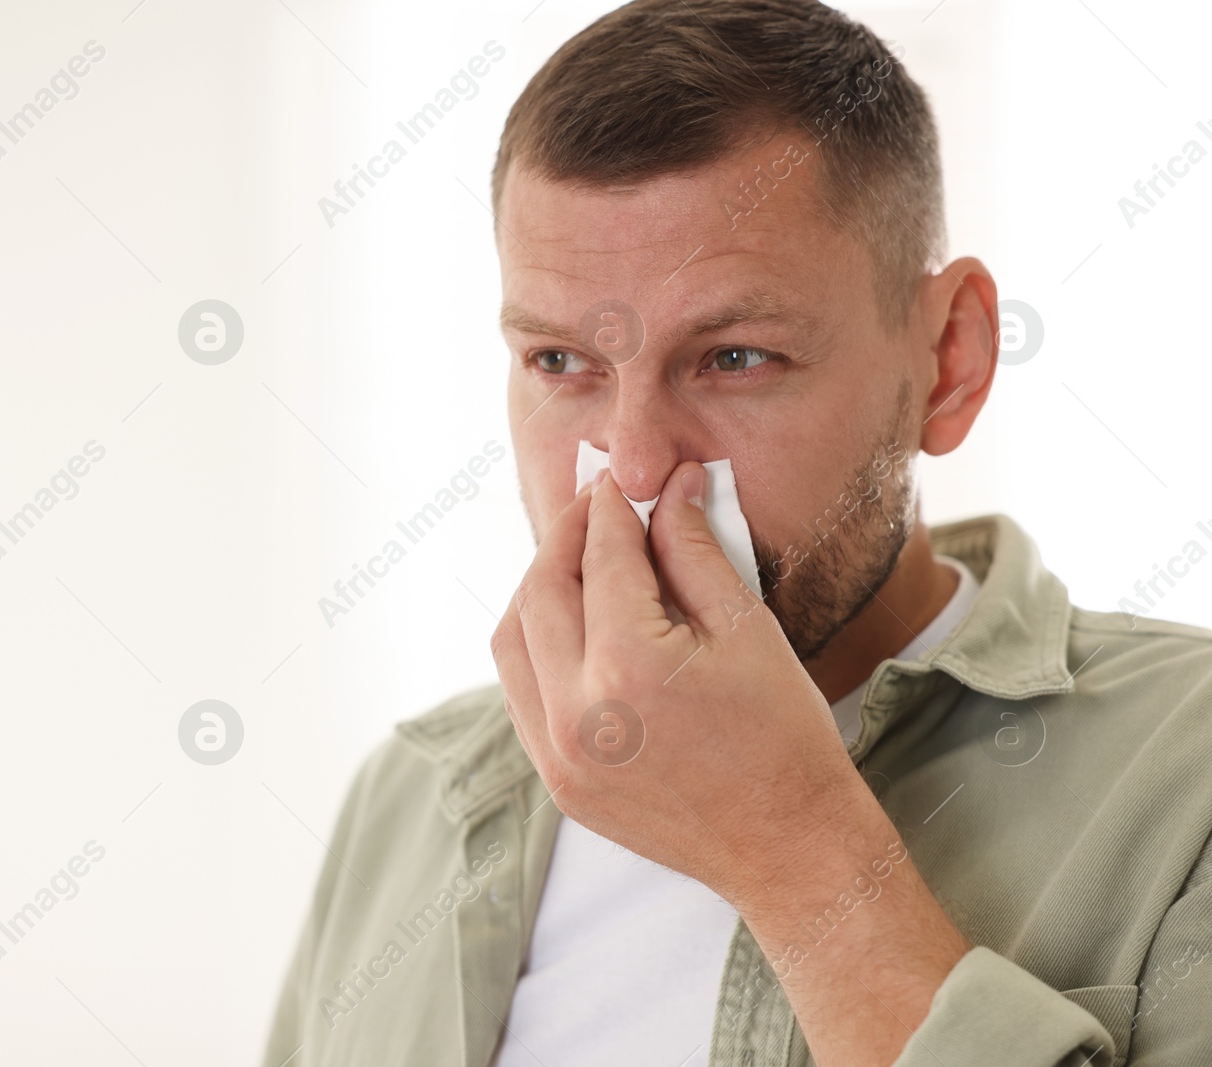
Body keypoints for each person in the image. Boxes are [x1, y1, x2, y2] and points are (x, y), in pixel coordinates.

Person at [263, 2, 1212, 1064]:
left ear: (948, 360)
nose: (631, 468)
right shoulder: (412, 798)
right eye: (559, 363)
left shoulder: (1191, 777)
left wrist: (787, 839)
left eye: (734, 358)